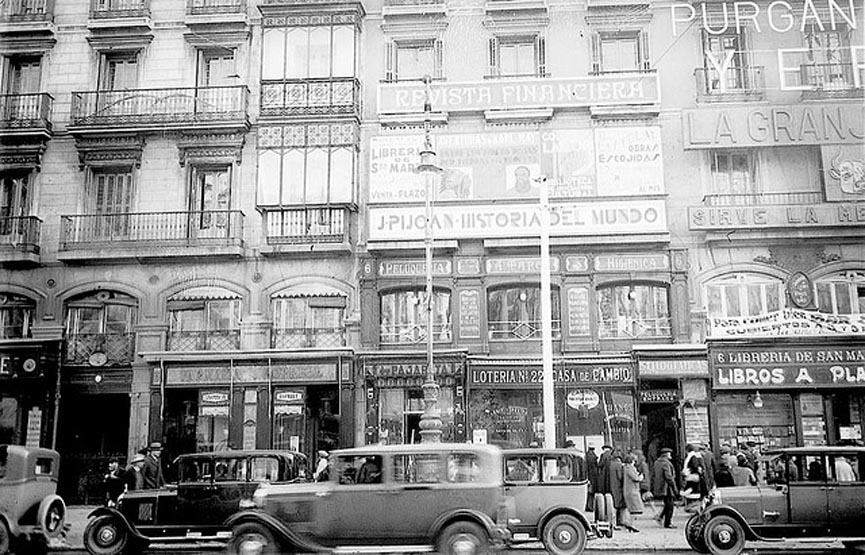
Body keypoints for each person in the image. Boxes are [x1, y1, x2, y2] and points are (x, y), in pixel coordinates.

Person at [652, 447, 678, 529]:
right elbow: (668, 477)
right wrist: (674, 487)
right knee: (670, 505)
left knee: (667, 504)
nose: (671, 455)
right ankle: (668, 523)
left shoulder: (657, 462)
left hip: (660, 486)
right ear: (666, 455)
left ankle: (660, 517)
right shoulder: (666, 463)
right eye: (669, 454)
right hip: (667, 487)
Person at [622, 454, 644, 533]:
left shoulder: (627, 468)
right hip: (632, 491)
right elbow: (635, 478)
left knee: (634, 508)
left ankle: (629, 523)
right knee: (635, 509)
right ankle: (630, 523)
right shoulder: (629, 468)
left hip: (631, 490)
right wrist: (640, 477)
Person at [585, 446, 599, 512]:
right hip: (592, 477)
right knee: (591, 493)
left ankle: (588, 506)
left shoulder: (586, 455)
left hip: (588, 476)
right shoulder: (593, 456)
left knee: (589, 492)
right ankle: (590, 506)